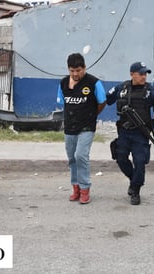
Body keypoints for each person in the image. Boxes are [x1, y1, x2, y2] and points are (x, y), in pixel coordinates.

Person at [107, 62, 154, 205]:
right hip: (124, 131)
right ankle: (134, 180)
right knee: (121, 158)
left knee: (140, 162)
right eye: (141, 74)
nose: (144, 77)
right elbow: (106, 99)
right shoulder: (121, 88)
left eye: (145, 74)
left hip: (140, 133)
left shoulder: (150, 91)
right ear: (132, 74)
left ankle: (135, 190)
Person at [56, 53, 106, 204]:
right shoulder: (63, 83)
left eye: (78, 70)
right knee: (72, 159)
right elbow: (62, 102)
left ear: (84, 68)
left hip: (87, 127)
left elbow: (102, 102)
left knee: (80, 156)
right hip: (70, 126)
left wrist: (92, 115)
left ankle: (85, 189)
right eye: (72, 70)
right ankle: (75, 188)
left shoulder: (93, 83)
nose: (75, 74)